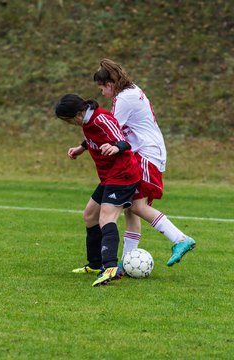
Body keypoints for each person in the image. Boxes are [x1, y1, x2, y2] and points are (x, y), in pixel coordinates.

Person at [73, 59, 196, 271]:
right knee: (131, 208)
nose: (102, 92)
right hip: (144, 152)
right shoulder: (129, 92)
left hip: (146, 154)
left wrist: (84, 146)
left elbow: (109, 128)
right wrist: (84, 146)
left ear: (111, 82)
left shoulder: (124, 99)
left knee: (139, 206)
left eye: (102, 87)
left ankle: (180, 239)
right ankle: (126, 260)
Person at [55, 93, 141, 287]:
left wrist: (116, 148)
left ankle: (110, 267)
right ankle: (95, 264)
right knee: (90, 216)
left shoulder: (101, 118)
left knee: (106, 218)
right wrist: (81, 148)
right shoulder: (87, 121)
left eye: (68, 120)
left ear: (77, 114)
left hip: (123, 174)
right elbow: (95, 138)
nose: (70, 124)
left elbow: (123, 140)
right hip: (109, 176)